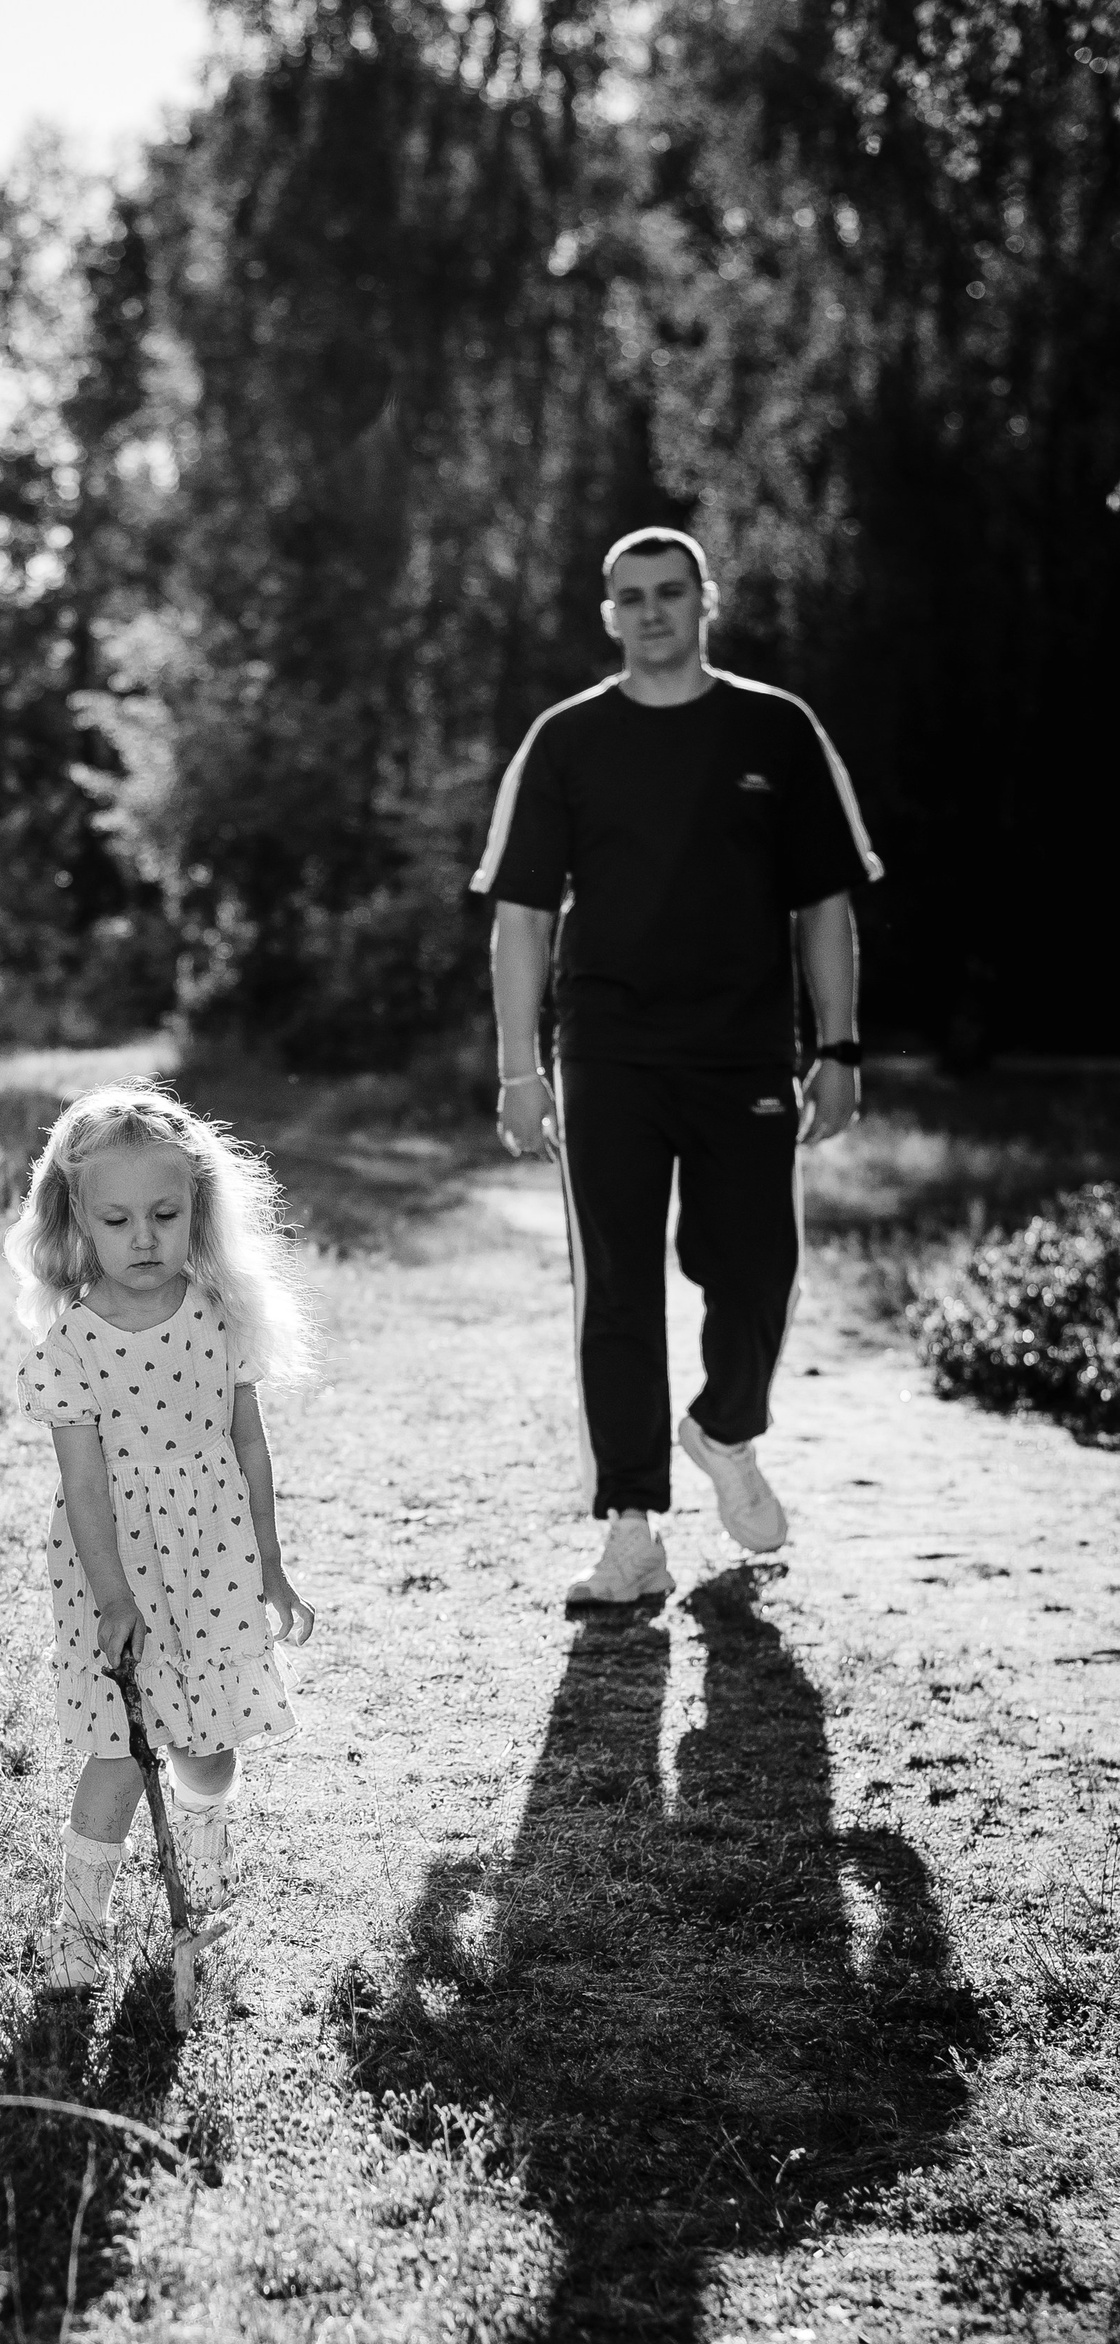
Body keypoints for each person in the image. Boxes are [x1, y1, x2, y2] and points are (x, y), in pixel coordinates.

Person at [475, 526, 879, 1605]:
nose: (652, 610)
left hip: (745, 1050)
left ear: (706, 600)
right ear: (609, 614)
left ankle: (725, 1429)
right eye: (632, 596)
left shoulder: (777, 728)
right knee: (615, 1287)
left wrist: (839, 1046)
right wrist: (520, 1071)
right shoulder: (565, 740)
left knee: (758, 1269)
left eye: (670, 591)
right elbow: (521, 917)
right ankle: (630, 1530)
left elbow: (824, 902)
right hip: (608, 1049)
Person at [5, 1085, 316, 1991]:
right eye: (117, 1220)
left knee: (206, 1744)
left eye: (165, 1215)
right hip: (117, 1566)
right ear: (79, 1221)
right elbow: (84, 1484)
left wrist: (271, 1565)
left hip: (212, 1557)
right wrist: (113, 1598)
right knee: (118, 1749)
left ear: (197, 1211)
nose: (143, 1239)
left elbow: (249, 1448)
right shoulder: (72, 1345)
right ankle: (79, 1927)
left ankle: (205, 1858)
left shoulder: (220, 1317)